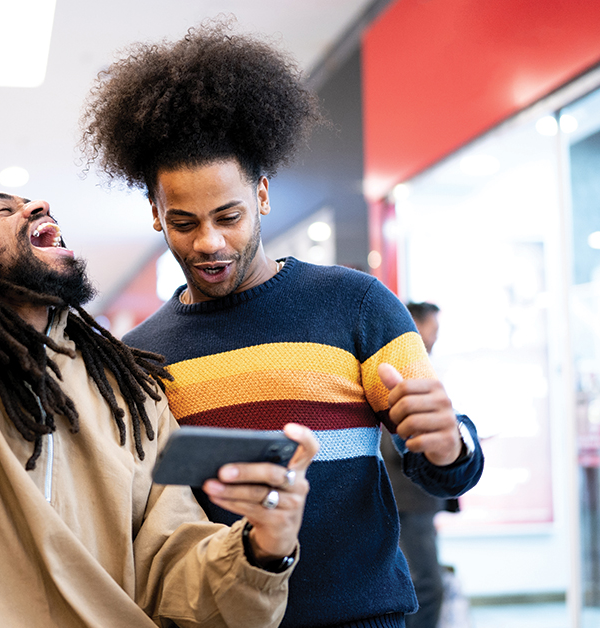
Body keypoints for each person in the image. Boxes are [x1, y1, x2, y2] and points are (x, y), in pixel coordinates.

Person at [0, 92, 320, 628]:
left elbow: (175, 565)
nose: (37, 205)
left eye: (35, 203)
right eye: (3, 208)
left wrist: (261, 551)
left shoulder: (131, 395)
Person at [82, 22, 484, 628]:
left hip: (363, 619)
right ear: (155, 215)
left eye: (229, 215)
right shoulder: (141, 356)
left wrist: (453, 442)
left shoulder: (357, 304)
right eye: (184, 222)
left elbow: (438, 463)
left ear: (263, 195)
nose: (209, 242)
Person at [379, 302, 448, 628]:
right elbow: (398, 445)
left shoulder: (414, 374)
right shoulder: (399, 376)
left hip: (417, 498)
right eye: (432, 329)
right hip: (409, 497)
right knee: (427, 587)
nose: (435, 338)